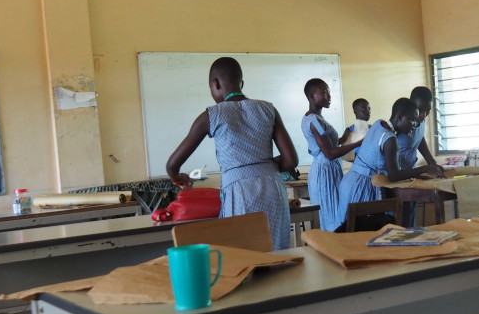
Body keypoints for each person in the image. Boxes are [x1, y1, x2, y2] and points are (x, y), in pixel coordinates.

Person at [166, 56, 298, 251]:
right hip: (273, 188)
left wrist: (178, 177)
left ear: (215, 83)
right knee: (277, 252)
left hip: (240, 191)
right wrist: (264, 166)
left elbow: (172, 165)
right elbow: (291, 160)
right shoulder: (268, 109)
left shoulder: (212, 115)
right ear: (241, 83)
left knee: (244, 255)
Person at [336, 97, 439, 228]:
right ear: (400, 117)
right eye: (412, 120)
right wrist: (425, 169)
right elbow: (394, 175)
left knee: (350, 229)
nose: (415, 125)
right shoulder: (390, 140)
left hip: (351, 182)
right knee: (364, 231)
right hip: (363, 186)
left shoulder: (378, 124)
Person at [301, 78, 358, 231]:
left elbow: (329, 145)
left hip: (328, 171)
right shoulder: (314, 121)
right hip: (325, 173)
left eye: (329, 92)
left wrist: (345, 137)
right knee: (332, 217)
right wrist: (359, 143)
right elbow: (330, 153)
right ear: (312, 96)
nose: (329, 96)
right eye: (325, 92)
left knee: (334, 214)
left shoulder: (316, 118)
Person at [396, 86, 445, 225]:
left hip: (411, 174)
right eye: (420, 110)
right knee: (401, 220)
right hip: (398, 176)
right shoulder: (403, 123)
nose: (423, 115)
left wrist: (431, 161)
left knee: (410, 217)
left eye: (427, 110)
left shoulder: (420, 120)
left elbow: (419, 139)